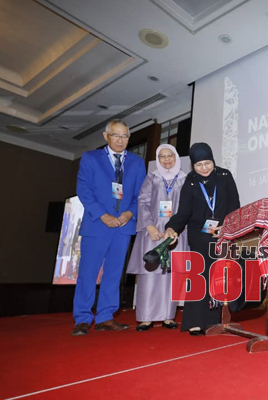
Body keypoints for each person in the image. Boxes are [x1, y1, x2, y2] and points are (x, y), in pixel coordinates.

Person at [71, 119, 146, 336]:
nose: (121, 140)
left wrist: (129, 213)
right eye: (116, 135)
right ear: (106, 136)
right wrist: (103, 215)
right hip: (97, 224)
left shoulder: (136, 162)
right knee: (88, 273)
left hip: (123, 226)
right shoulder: (90, 158)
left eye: (125, 136)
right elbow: (84, 190)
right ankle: (83, 318)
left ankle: (105, 316)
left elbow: (141, 194)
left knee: (113, 274)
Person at [164, 143, 240, 335]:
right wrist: (171, 227)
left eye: (207, 163)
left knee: (220, 274)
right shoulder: (190, 181)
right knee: (199, 275)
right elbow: (184, 212)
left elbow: (234, 205)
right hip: (199, 233)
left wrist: (227, 225)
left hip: (223, 231)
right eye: (199, 165)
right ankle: (195, 321)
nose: (204, 168)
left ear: (213, 161)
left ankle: (216, 319)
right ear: (192, 166)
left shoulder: (224, 176)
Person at [126, 144, 189, 331]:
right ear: (158, 159)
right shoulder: (152, 177)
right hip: (153, 231)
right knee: (150, 273)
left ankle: (168, 316)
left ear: (176, 157)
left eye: (170, 155)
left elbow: (187, 207)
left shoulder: (185, 179)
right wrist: (149, 226)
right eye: (162, 156)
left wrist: (177, 228)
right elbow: (143, 201)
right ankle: (146, 318)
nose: (167, 159)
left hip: (175, 232)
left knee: (170, 274)